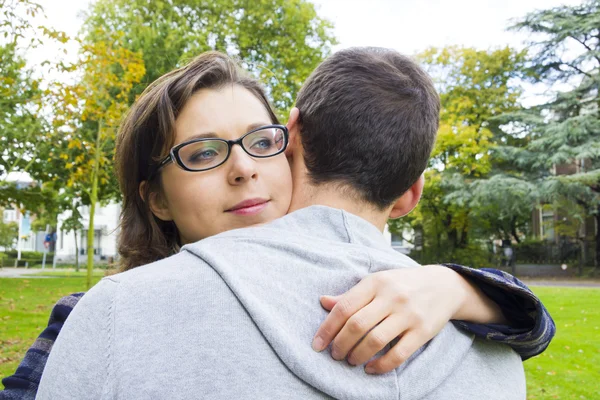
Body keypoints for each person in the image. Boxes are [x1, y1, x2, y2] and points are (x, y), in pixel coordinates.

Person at [11, 50, 548, 399]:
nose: (243, 168)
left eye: (260, 142)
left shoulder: (421, 297)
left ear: (292, 148)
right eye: (202, 154)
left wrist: (456, 287)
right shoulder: (98, 316)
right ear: (156, 199)